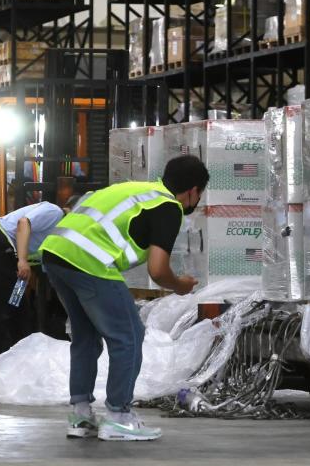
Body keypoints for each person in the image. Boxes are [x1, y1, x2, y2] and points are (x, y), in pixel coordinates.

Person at [39, 155, 208, 442]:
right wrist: (179, 285)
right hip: (89, 260)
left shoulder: (137, 190)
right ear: (192, 191)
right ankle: (118, 416)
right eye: (198, 196)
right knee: (129, 336)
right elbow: (158, 269)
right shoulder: (168, 206)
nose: (196, 203)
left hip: (55, 254)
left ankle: (80, 416)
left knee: (85, 337)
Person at [0, 198, 77, 366]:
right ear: (71, 210)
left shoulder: (61, 236)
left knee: (17, 307)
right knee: (4, 310)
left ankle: (17, 364)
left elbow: (51, 273)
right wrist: (22, 260)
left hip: (11, 260)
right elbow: (23, 223)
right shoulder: (54, 212)